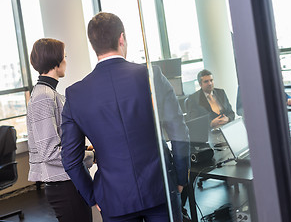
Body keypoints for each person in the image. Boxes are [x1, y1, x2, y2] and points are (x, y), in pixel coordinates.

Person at [60, 12, 190, 222]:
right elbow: (179, 131)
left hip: (113, 199)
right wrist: (181, 178)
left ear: (93, 46)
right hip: (161, 188)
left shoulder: (76, 94)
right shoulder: (151, 75)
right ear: (122, 38)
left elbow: (70, 160)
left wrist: (93, 197)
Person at [26, 38, 93, 222]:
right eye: (64, 56)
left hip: (69, 180)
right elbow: (50, 152)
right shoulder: (43, 97)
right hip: (63, 184)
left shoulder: (50, 93)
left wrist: (85, 150)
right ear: (55, 61)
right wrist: (90, 158)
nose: (66, 60)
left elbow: (62, 140)